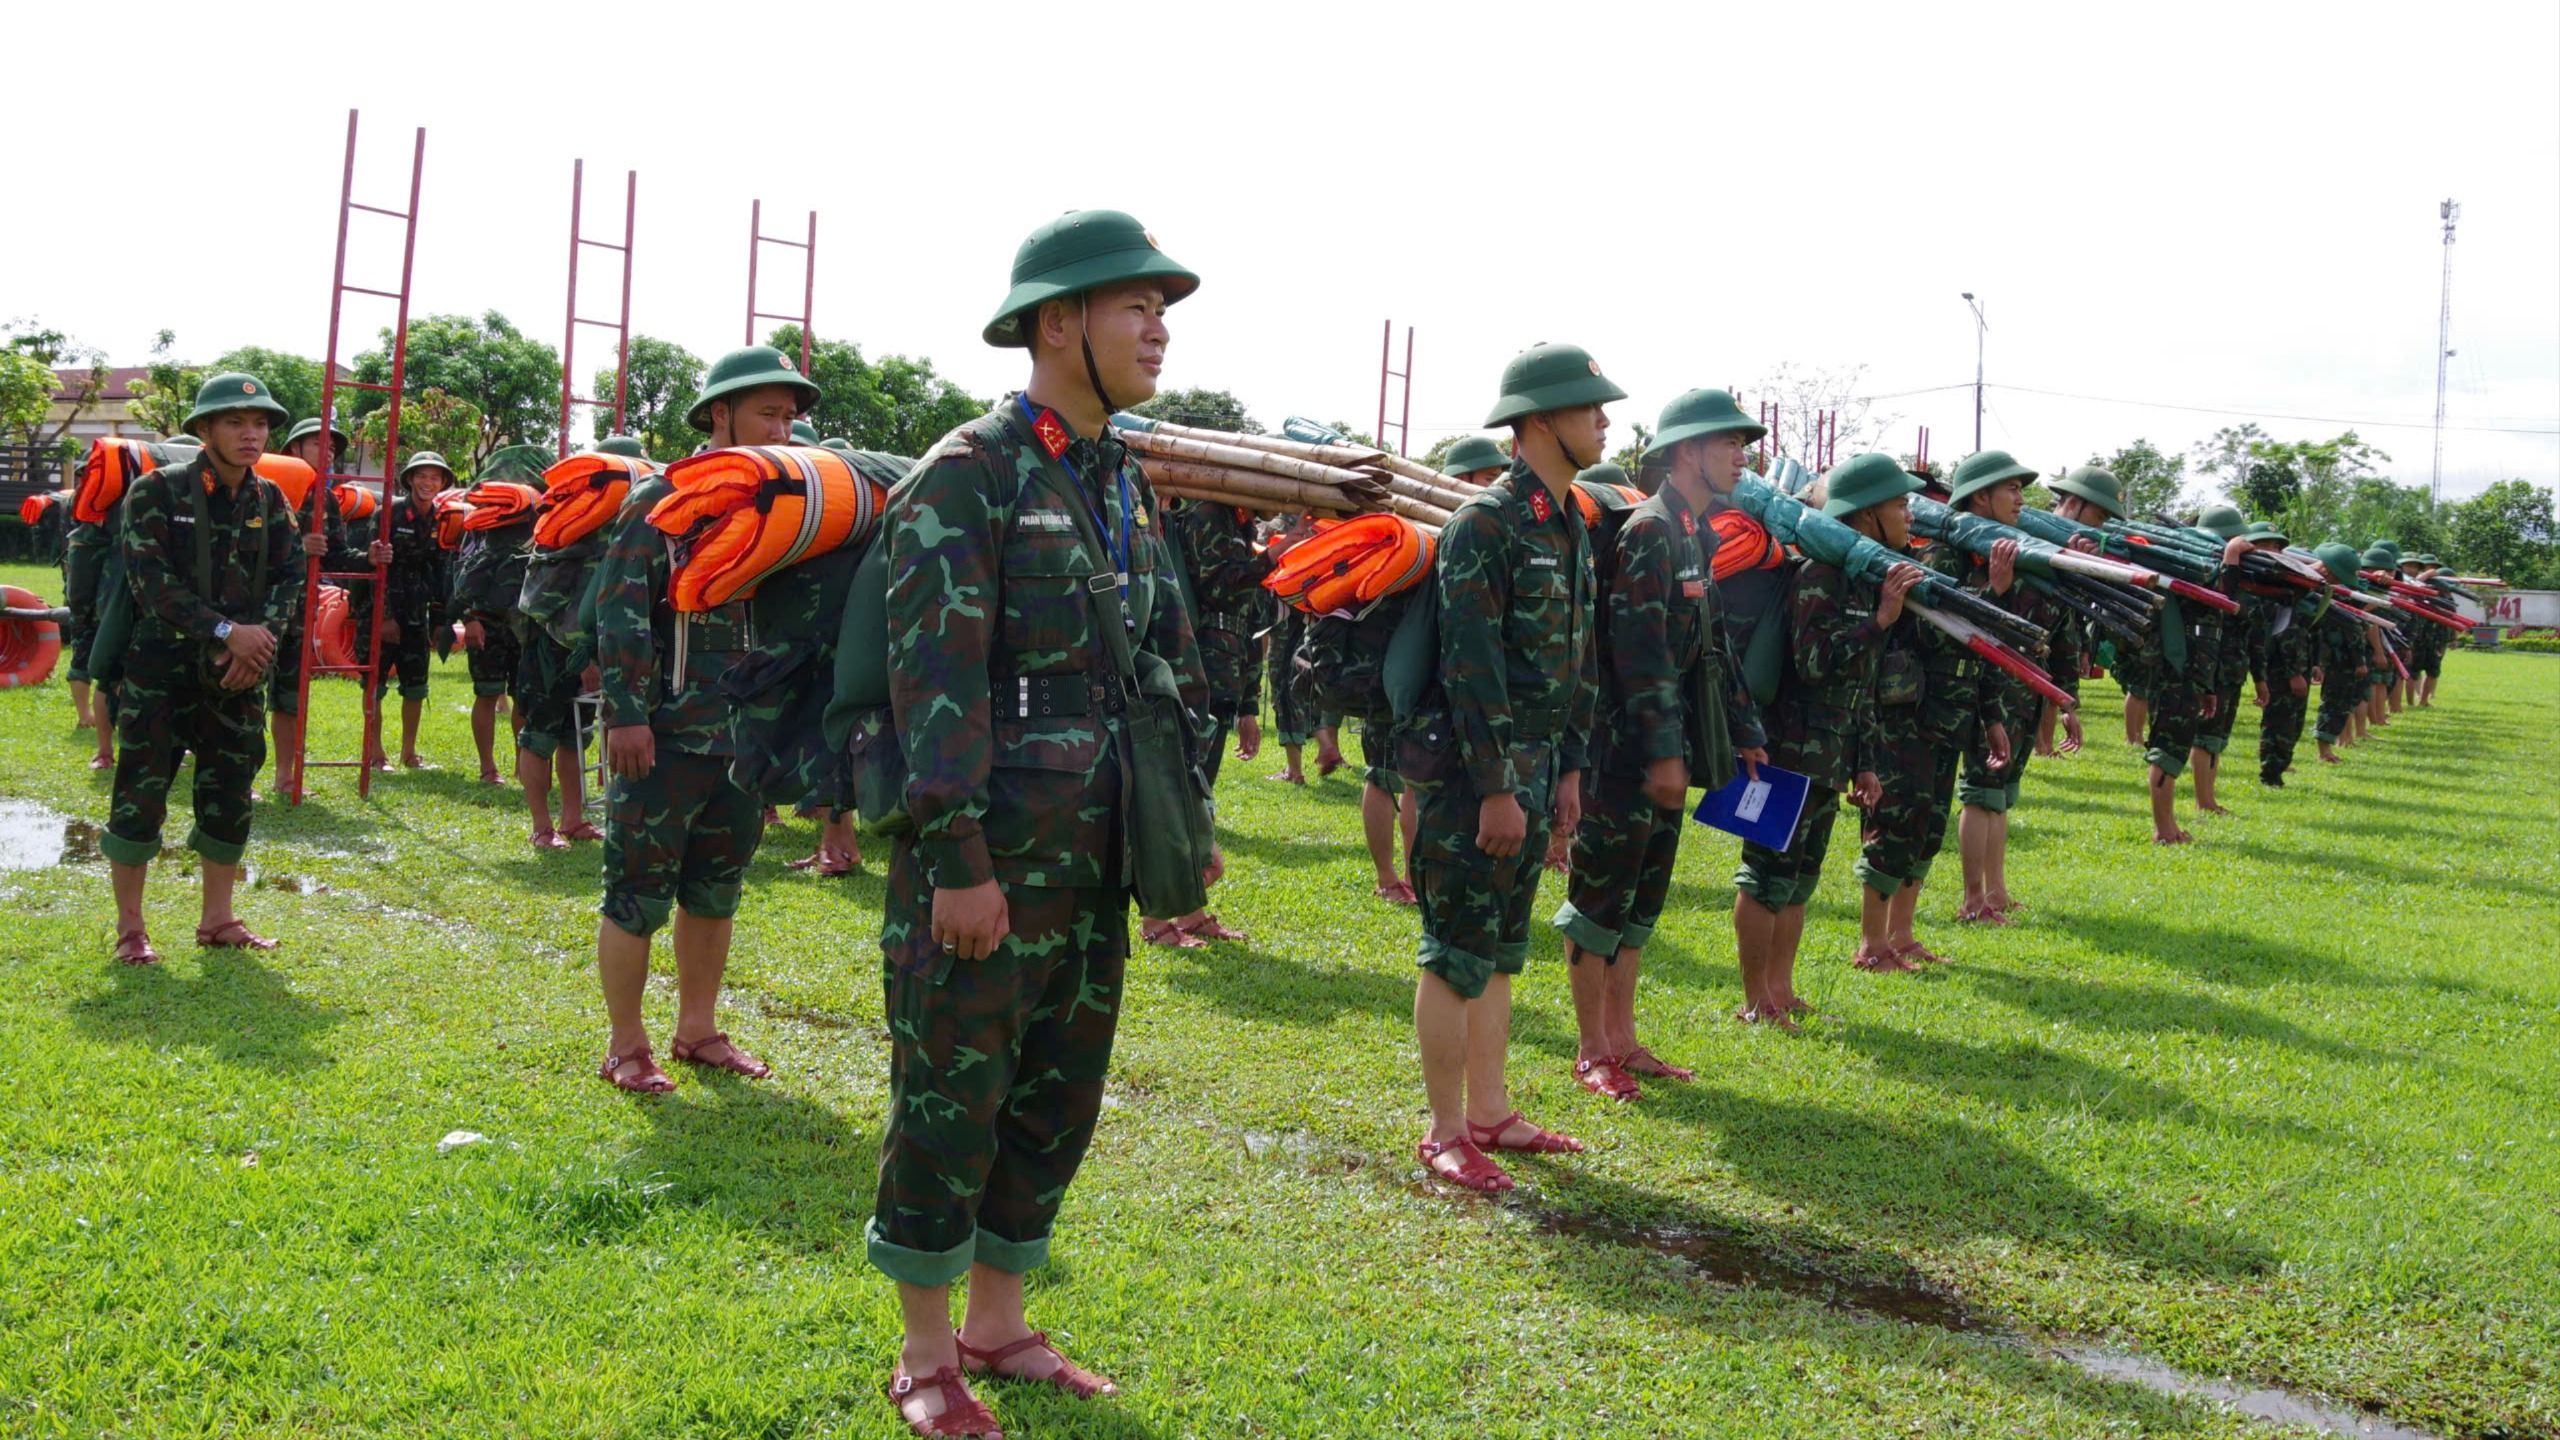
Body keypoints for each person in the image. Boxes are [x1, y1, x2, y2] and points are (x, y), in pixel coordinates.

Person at [869, 210, 1213, 1437]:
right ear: (1057, 322)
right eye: (1135, 306)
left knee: (1056, 1095)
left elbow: (1165, 662)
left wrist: (1185, 820)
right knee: (952, 1096)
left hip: (1096, 853)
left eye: (1161, 309)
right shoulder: (971, 472)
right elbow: (933, 683)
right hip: (990, 858)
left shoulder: (1119, 476)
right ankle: (923, 1356)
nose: (1158, 329)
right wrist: (955, 859)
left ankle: (999, 1322)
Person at [1401, 342, 1610, 1194]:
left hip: (1536, 766)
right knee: (1454, 950)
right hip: (1471, 776)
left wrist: (1565, 773)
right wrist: (1494, 787)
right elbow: (1468, 665)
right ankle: (1444, 1130)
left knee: (1500, 950)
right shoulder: (1483, 526)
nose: (1604, 420)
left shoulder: (1571, 523)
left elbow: (1576, 661)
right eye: (1589, 407)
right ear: (1536, 421)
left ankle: (1490, 1111)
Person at [591, 346, 815, 1095]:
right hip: (663, 734)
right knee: (636, 894)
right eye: (768, 413)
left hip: (742, 739)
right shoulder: (661, 499)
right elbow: (620, 609)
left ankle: (698, 1030)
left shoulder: (787, 506)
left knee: (716, 890)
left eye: (790, 415)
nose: (783, 429)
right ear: (720, 414)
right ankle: (626, 1044)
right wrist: (626, 715)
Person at [1555, 391, 1766, 1100]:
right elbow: (1635, 655)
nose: (1743, 455)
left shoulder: (1695, 533)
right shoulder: (1649, 531)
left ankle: (1623, 1039)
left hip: (1664, 750)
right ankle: (1591, 1050)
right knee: (1602, 895)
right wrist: (1666, 753)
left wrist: (1746, 734)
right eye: (1729, 442)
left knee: (1644, 896)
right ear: (1685, 451)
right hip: (1625, 753)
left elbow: (1714, 646)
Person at [101, 373, 301, 964]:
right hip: (160, 672)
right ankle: (131, 930)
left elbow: (291, 579)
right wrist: (226, 633)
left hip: (238, 677)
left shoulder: (270, 499)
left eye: (260, 423)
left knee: (230, 792)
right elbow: (151, 584)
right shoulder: (156, 492)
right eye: (236, 422)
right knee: (141, 793)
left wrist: (257, 646)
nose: (251, 433)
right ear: (204, 429)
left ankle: (218, 919)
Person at [1734, 453, 1926, 1023]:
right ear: (1866, 515)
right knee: (1765, 873)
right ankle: (1754, 1000)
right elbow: (1816, 663)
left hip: (1829, 757)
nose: (1908, 514)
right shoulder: (1818, 574)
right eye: (1898, 504)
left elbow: (1861, 685)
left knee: (1799, 880)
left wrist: (1863, 760)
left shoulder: (1863, 578)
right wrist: (1880, 622)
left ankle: (1781, 989)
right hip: (1782, 753)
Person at [1855, 454, 2009, 967]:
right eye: (2011, 489)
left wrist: (1991, 718)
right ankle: (1872, 942)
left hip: (1953, 719)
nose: (2020, 501)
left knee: (1928, 826)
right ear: (1981, 497)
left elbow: (1987, 654)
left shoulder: (1980, 563)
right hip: (1910, 718)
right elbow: (1923, 636)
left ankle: (1901, 934)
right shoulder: (1939, 559)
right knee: (1896, 821)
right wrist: (1991, 596)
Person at [1143, 489, 1270, 946]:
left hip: (1222, 680)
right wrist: (1273, 558)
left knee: (1198, 794)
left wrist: (1249, 706)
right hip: (1188, 674)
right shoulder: (1207, 515)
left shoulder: (1242, 526)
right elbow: (1215, 585)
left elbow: (1251, 623)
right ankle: (1158, 920)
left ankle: (1191, 911)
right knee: (1177, 792)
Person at [270, 416, 391, 790]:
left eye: (333, 449)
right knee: (234, 692)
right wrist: (295, 547)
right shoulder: (264, 486)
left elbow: (336, 554)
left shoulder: (325, 498)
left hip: (298, 610)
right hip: (251, 606)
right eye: (318, 445)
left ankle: (284, 776)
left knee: (291, 694)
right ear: (294, 449)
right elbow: (237, 547)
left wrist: (367, 557)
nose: (328, 453)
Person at [516, 446, 612, 849]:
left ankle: (573, 819)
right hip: (552, 646)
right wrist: (585, 655)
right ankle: (542, 828)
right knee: (540, 735)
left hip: (580, 645)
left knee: (574, 737)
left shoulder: (609, 522)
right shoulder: (576, 525)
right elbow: (572, 600)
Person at [453, 452, 543, 785]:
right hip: (487, 620)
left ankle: (523, 765)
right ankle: (487, 767)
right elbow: (461, 572)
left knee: (523, 696)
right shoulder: (483, 522)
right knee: (487, 693)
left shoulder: (541, 521)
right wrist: (469, 617)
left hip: (527, 621)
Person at [2185, 505, 2265, 816]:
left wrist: (2259, 678)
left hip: (2232, 667)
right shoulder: (2203, 570)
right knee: (2206, 736)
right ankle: (2203, 800)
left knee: (2217, 737)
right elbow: (2222, 606)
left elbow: (2253, 631)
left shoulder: (2242, 577)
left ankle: (2210, 799)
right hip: (2210, 663)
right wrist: (2229, 560)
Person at [378, 452, 454, 768]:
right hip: (385, 612)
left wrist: (439, 622)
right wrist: (383, 616)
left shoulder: (442, 520)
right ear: (410, 479)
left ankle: (408, 753)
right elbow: (372, 567)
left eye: (435, 477)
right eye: (422, 476)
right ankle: (375, 753)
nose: (428, 483)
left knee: (416, 686)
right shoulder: (389, 514)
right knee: (375, 685)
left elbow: (441, 573)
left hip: (417, 617)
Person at [2244, 522, 2315, 786]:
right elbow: (2284, 633)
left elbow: (2298, 627)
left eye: (2276, 546)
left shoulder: (2283, 583)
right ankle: (2271, 772)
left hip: (2290, 660)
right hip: (2276, 664)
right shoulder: (2252, 581)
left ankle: (2279, 766)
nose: (2272, 550)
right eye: (2265, 545)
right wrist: (2294, 672)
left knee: (2293, 721)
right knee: (2280, 721)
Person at [2310, 543, 2381, 765]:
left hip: (2346, 658)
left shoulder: (2345, 591)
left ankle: (2331, 745)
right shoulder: (2316, 589)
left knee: (2342, 702)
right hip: (2331, 657)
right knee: (2333, 703)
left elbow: (2358, 623)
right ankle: (2324, 749)